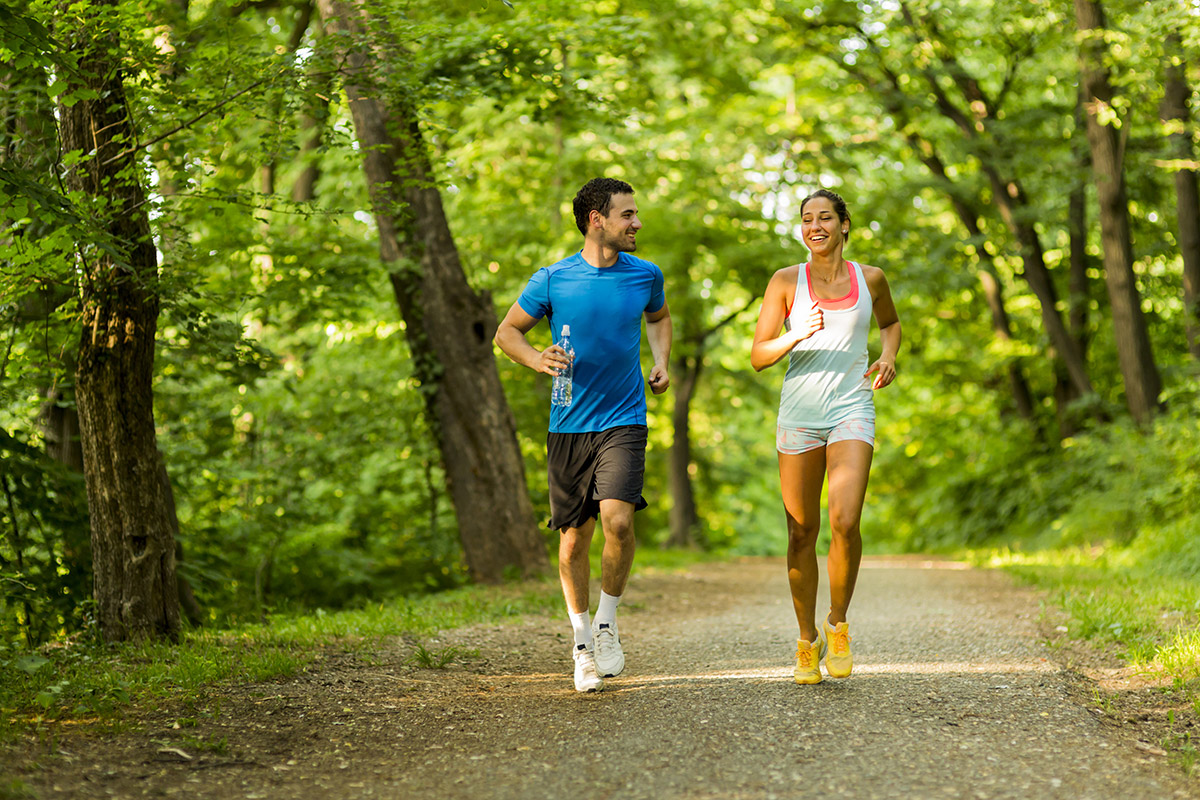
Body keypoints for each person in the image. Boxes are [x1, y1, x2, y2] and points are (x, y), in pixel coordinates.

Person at [494, 177, 672, 693]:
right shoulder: (553, 279)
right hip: (569, 423)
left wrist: (660, 360)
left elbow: (659, 318)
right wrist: (536, 359)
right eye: (627, 215)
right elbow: (507, 332)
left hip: (624, 418)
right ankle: (581, 645)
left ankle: (607, 625)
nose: (637, 223)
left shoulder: (645, 275)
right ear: (597, 219)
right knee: (573, 540)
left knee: (618, 521)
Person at [750, 188, 901, 685]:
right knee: (800, 531)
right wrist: (795, 333)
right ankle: (805, 640)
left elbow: (891, 324)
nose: (815, 226)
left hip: (851, 408)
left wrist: (888, 356)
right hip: (800, 413)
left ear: (844, 224)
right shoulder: (785, 281)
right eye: (807, 219)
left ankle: (837, 623)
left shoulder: (870, 278)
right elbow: (758, 355)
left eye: (825, 218)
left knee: (845, 519)